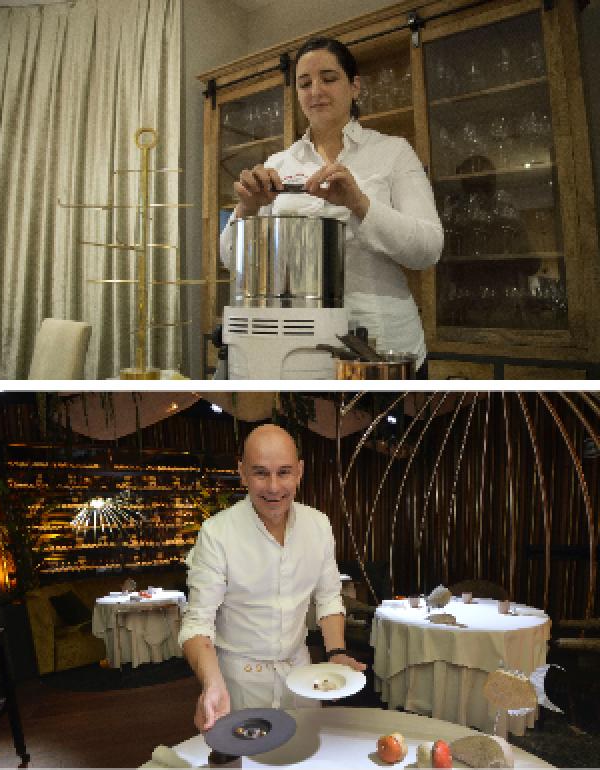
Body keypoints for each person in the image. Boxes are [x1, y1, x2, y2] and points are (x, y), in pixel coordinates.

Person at [220, 37, 443, 377]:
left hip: (381, 347)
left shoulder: (393, 152)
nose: (315, 91)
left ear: (355, 86)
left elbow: (427, 250)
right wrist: (247, 211)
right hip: (297, 352)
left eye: (328, 78)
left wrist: (360, 204)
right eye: (304, 83)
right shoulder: (278, 163)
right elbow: (230, 260)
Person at [178, 423, 364, 732]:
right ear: (242, 472)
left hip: (303, 679)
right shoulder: (217, 533)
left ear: (300, 471)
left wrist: (337, 651)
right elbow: (198, 623)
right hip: (238, 684)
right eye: (261, 473)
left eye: (284, 472)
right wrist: (212, 684)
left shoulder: (318, 525)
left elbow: (329, 597)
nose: (274, 487)